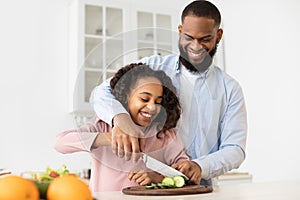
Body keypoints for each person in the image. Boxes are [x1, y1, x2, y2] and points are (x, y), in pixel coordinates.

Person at [90, 0, 247, 186]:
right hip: (146, 187)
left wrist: (199, 166)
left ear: (218, 35)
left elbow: (235, 149)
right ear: (180, 31)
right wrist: (120, 118)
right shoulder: (153, 67)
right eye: (189, 37)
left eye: (205, 39)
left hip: (196, 189)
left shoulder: (230, 90)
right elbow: (102, 91)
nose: (195, 47)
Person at [54, 63, 192, 192]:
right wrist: (108, 138)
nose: (152, 107)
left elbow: (185, 174)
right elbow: (60, 143)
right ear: (126, 96)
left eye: (158, 102)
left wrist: (158, 178)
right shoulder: (102, 125)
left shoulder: (165, 134)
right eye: (144, 99)